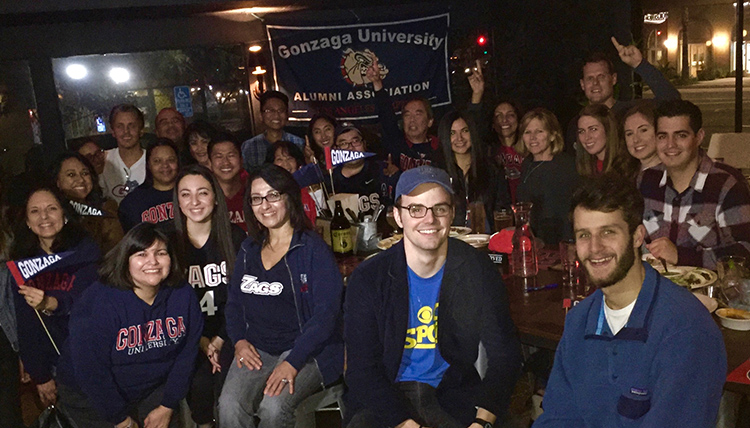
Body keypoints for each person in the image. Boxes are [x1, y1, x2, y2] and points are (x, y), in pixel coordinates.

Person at [533, 174, 726, 427]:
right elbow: (558, 418)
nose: (595, 248)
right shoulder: (580, 321)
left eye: (608, 232)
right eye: (583, 235)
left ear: (637, 237)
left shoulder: (686, 329)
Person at [344, 166, 522, 428]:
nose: (429, 219)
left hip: (452, 393)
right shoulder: (369, 278)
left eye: (439, 208)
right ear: (398, 216)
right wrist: (405, 424)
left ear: (451, 214)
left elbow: (504, 355)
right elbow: (362, 371)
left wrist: (482, 423)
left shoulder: (476, 268)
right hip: (386, 399)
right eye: (416, 209)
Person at [218, 164, 344, 427]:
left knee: (274, 409)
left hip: (307, 351)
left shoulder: (312, 250)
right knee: (229, 407)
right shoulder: (248, 249)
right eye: (256, 198)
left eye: (273, 195)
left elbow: (326, 315)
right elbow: (234, 305)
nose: (265, 205)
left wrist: (293, 361)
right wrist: (239, 341)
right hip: (257, 348)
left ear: (289, 197)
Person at [55, 222, 202, 428]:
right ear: (126, 260)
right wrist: (120, 419)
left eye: (160, 253)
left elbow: (186, 354)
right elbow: (91, 370)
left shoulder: (182, 294)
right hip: (91, 396)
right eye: (141, 254)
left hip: (151, 389)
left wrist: (167, 405)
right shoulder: (99, 300)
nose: (153, 261)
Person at [10, 187, 100, 408]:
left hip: (95, 358)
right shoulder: (22, 264)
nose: (44, 217)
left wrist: (50, 303)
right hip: (56, 367)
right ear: (28, 222)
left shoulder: (89, 252)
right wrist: (40, 376)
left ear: (65, 215)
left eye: (52, 208)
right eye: (35, 211)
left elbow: (91, 305)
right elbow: (26, 324)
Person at [173, 165, 246, 428]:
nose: (194, 202)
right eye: (186, 194)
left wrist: (219, 339)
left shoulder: (235, 238)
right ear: (177, 200)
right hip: (187, 335)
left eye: (202, 193)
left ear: (215, 197)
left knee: (229, 384)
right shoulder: (168, 242)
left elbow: (242, 299)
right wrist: (202, 341)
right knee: (198, 381)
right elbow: (167, 304)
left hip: (231, 331)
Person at [638, 100, 750, 269]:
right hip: (653, 289)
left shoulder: (727, 185)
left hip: (707, 292)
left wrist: (681, 256)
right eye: (663, 136)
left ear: (699, 137)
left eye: (681, 135)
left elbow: (745, 252)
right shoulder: (645, 181)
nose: (670, 144)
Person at [565, 37, 681, 147]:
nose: (595, 83)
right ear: (582, 84)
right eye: (590, 78)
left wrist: (640, 64)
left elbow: (672, 100)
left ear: (613, 79)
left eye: (601, 77)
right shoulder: (577, 125)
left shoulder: (631, 112)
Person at [366, 55, 445, 171]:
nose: (412, 119)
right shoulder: (396, 143)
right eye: (407, 115)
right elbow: (386, 114)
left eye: (418, 114)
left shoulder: (441, 149)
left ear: (430, 121)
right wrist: (377, 83)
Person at [438, 110, 511, 233]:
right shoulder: (438, 173)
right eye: (452, 133)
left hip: (486, 242)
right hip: (451, 243)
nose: (459, 138)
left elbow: (503, 209)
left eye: (465, 131)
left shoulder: (492, 169)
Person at [516, 108, 580, 244]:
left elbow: (569, 213)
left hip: (560, 244)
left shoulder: (565, 166)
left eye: (539, 131)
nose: (533, 137)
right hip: (532, 243)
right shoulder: (527, 164)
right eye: (527, 132)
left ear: (552, 135)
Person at [51, 152, 124, 253]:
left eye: (85, 173)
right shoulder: (51, 213)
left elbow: (117, 251)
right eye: (71, 175)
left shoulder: (106, 209)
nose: (80, 180)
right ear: (57, 181)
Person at [330, 124, 399, 218]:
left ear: (364, 144)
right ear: (336, 149)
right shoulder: (330, 180)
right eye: (343, 144)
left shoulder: (382, 170)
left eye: (355, 141)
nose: (351, 148)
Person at [118, 138, 179, 232]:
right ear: (148, 165)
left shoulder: (192, 195)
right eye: (157, 161)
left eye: (170, 160)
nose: (165, 165)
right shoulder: (132, 203)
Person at [241, 91, 305, 173]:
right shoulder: (249, 147)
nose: (276, 115)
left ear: (287, 115)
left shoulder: (299, 143)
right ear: (261, 115)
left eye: (281, 110)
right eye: (270, 110)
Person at [576, 104, 638, 180]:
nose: (587, 137)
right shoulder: (583, 169)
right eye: (581, 131)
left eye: (593, 129)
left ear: (608, 130)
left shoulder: (627, 166)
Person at [101, 104, 148, 203]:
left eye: (132, 126)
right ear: (112, 131)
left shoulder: (153, 160)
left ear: (141, 130)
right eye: (120, 126)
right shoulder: (104, 159)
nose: (126, 131)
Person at [267, 140, 318, 225]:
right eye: (279, 159)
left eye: (289, 158)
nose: (286, 164)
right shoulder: (268, 193)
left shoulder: (309, 188)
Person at [209, 133, 248, 233]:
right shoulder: (204, 195)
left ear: (241, 160)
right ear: (209, 163)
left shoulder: (254, 190)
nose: (226, 162)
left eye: (231, 155)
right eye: (219, 157)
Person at [622, 101, 660, 170]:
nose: (636, 140)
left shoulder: (673, 175)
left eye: (643, 130)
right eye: (629, 134)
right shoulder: (624, 174)